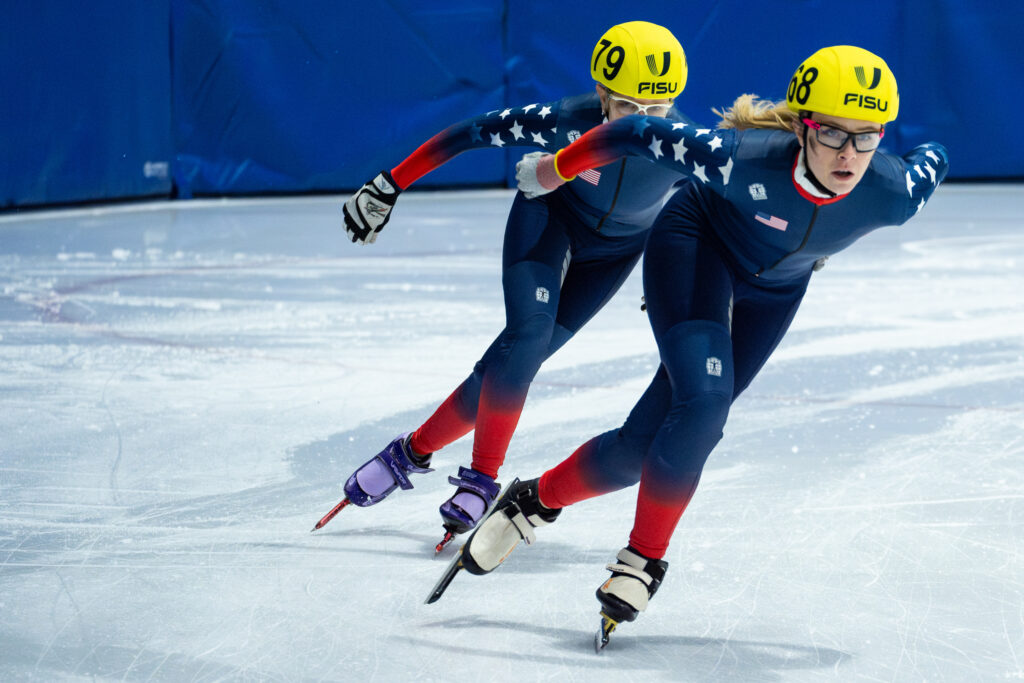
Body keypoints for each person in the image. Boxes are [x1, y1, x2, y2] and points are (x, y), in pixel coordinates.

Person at [451, 45, 949, 645]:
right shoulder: (737, 160)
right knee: (706, 406)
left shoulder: (893, 195)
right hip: (696, 249)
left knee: (643, 446)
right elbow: (635, 129)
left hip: (778, 289)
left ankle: (533, 502)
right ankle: (642, 560)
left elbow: (935, 156)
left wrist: (919, 152)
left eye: (866, 137)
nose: (849, 154)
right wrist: (558, 166)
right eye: (833, 134)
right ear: (800, 127)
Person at [334, 21, 697, 549]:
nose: (640, 127)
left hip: (615, 254)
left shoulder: (686, 145)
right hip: (549, 219)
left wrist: (680, 272)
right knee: (526, 338)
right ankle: (482, 478)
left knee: (513, 362)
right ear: (600, 95)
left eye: (656, 112)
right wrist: (390, 183)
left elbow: (714, 212)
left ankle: (411, 452)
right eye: (625, 109)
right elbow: (468, 133)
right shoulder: (564, 120)